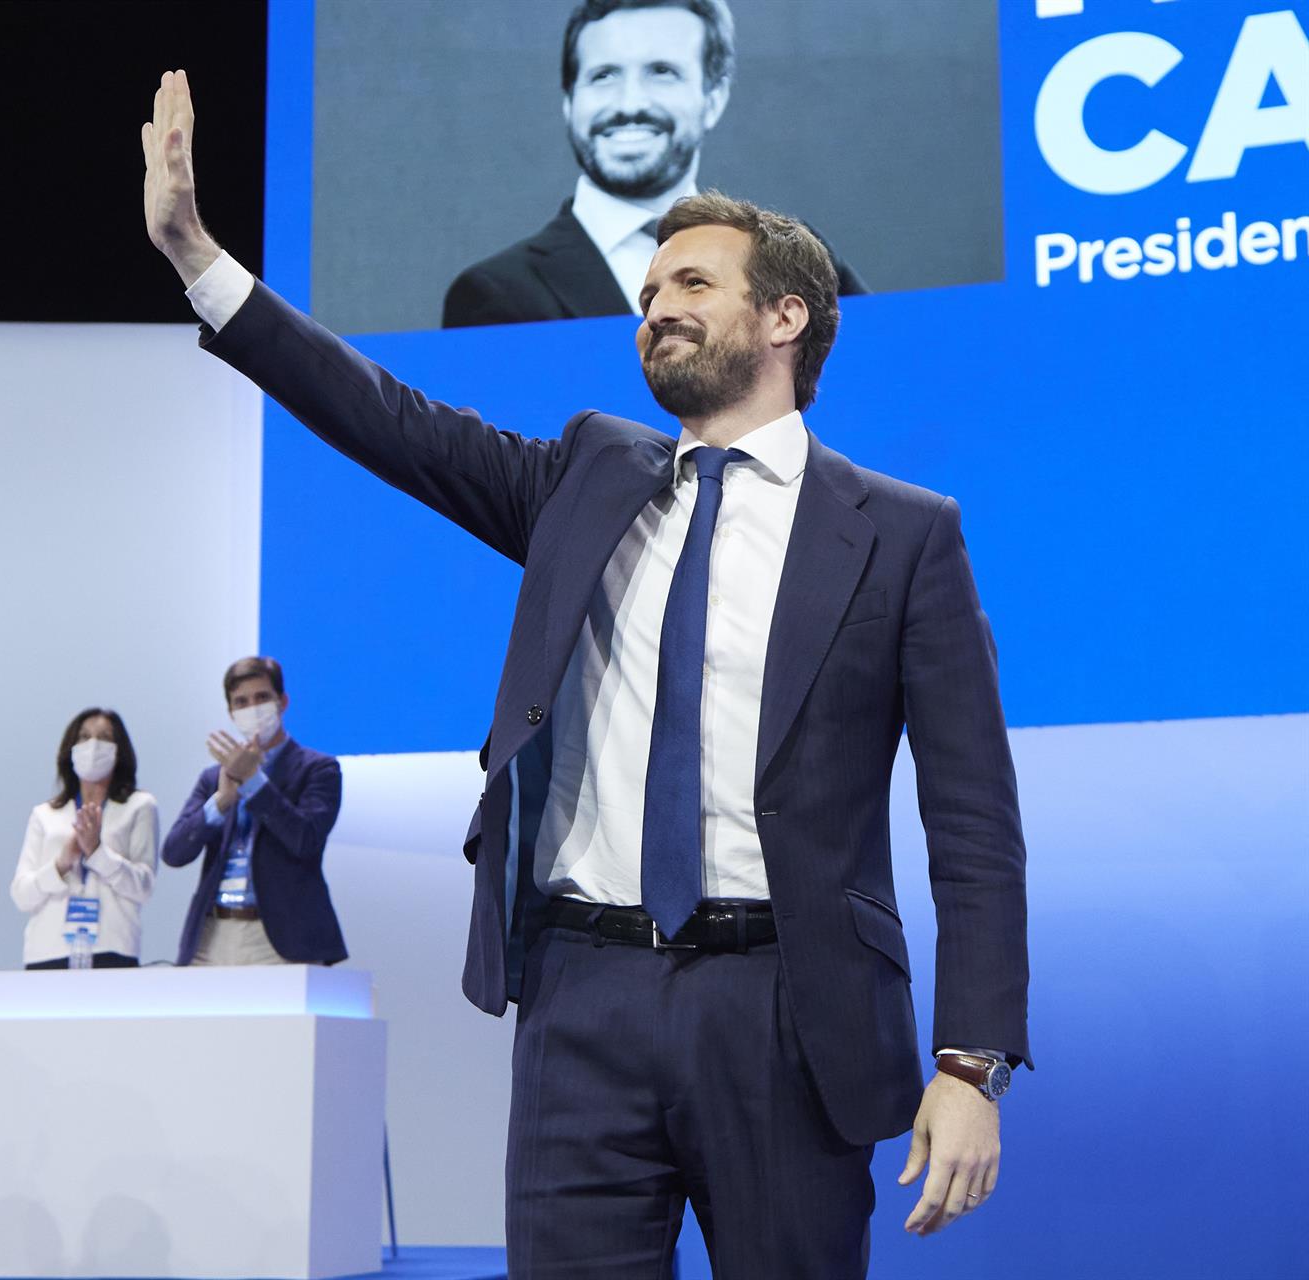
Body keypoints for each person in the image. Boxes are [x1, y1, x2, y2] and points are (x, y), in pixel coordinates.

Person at [145, 73, 1028, 1276]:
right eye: (650, 288)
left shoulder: (901, 533)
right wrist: (201, 261)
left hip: (785, 1009)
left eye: (692, 285)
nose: (656, 306)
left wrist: (970, 1061)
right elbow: (387, 418)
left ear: (784, 318)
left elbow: (974, 820)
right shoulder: (588, 474)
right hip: (580, 999)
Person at [442, 0, 865, 330]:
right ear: (570, 101)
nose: (629, 104)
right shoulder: (493, 295)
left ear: (713, 97)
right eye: (604, 75)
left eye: (661, 72)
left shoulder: (804, 260)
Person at [160, 657, 345, 967]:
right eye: (241, 702)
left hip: (279, 938)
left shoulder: (318, 769)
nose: (252, 708)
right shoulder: (213, 777)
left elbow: (305, 840)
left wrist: (254, 782)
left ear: (282, 702)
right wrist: (220, 801)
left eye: (262, 698)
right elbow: (174, 852)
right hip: (212, 934)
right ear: (232, 712)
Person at [10, 708, 158, 969]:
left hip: (113, 947)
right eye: (84, 737)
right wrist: (61, 864)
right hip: (48, 950)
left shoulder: (139, 806)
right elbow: (22, 895)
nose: (93, 745)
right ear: (71, 749)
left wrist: (97, 853)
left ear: (119, 750)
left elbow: (143, 887)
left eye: (104, 737)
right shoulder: (44, 814)